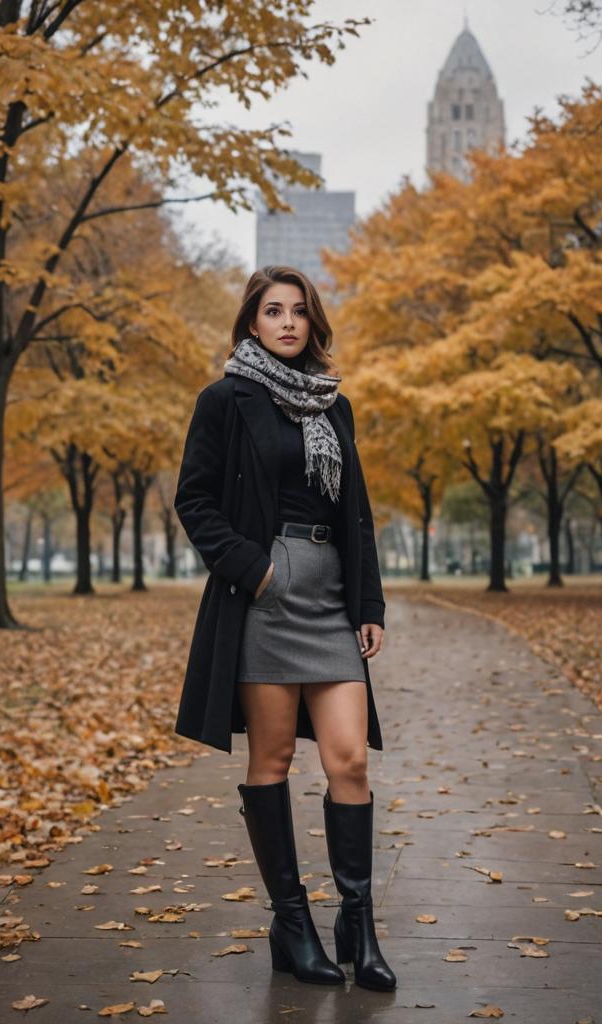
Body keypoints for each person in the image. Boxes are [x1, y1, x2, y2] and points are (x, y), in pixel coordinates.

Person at [173, 265, 396, 991]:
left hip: (330, 598)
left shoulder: (336, 407)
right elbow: (195, 500)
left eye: (299, 311)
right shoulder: (225, 401)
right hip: (264, 599)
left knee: (349, 762)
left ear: (313, 321)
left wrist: (369, 604)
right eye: (274, 311)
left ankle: (357, 926)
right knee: (270, 761)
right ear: (251, 323)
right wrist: (254, 570)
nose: (289, 323)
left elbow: (354, 512)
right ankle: (291, 923)